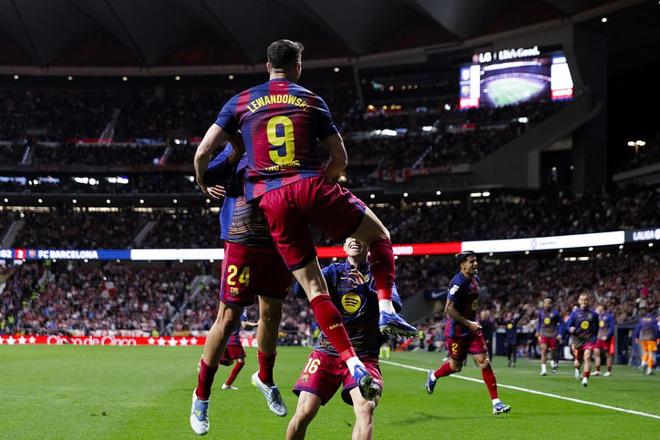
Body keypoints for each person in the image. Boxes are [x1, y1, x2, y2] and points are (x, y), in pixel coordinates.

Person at [194, 39, 416, 401]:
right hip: (281, 208)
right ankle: (385, 308)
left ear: (268, 66)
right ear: (298, 67)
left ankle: (287, 374)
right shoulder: (309, 101)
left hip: (273, 210)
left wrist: (204, 178)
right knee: (376, 238)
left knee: (291, 300)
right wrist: (322, 181)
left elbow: (204, 155)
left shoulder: (243, 104)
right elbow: (340, 158)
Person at [190, 145, 292, 435]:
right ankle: (201, 395)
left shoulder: (290, 143)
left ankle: (265, 378)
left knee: (272, 313)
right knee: (228, 319)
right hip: (242, 235)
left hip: (279, 237)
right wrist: (233, 153)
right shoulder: (240, 141)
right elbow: (207, 173)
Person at [286, 237, 400, 440]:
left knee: (366, 409)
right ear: (344, 246)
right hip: (327, 353)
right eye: (350, 238)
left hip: (364, 356)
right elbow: (299, 291)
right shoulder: (333, 272)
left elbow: (395, 306)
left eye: (360, 237)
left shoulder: (379, 275)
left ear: (368, 245)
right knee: (304, 412)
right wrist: (310, 268)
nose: (355, 240)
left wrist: (367, 287)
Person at [425, 251, 511, 415]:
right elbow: (448, 308)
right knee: (455, 367)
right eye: (471, 261)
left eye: (475, 260)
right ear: (462, 265)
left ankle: (496, 403)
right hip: (457, 332)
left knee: (484, 361)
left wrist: (473, 321)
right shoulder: (458, 282)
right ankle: (433, 376)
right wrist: (468, 323)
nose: (475, 264)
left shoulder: (475, 279)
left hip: (472, 330)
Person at [564, 293, 599, 387]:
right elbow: (567, 325)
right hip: (578, 339)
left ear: (588, 301)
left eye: (586, 300)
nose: (584, 301)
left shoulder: (594, 314)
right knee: (578, 362)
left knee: (587, 356)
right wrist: (570, 329)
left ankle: (585, 378)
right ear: (579, 301)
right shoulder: (574, 313)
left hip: (589, 339)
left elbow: (597, 327)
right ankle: (577, 369)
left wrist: (594, 338)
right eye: (582, 300)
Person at [217, 312, 258, 390]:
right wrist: (257, 324)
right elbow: (244, 325)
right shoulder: (242, 310)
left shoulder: (229, 309)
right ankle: (227, 385)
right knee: (240, 362)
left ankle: (205, 361)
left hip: (226, 339)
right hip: (233, 340)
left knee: (227, 362)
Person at [536, 298, 562, 375]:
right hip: (544, 334)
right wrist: (537, 330)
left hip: (553, 335)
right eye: (545, 303)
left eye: (548, 303)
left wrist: (560, 333)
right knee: (544, 350)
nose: (546, 305)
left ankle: (553, 361)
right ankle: (543, 370)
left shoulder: (556, 313)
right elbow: (539, 323)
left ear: (551, 304)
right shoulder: (541, 313)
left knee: (553, 352)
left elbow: (561, 323)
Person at [634, 308, 659, 375]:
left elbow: (638, 328)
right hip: (651, 338)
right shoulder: (654, 320)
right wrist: (657, 338)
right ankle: (649, 369)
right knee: (651, 353)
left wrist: (636, 337)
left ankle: (643, 363)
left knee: (645, 352)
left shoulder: (642, 319)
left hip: (643, 338)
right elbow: (656, 329)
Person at [594, 304, 616, 377]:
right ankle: (597, 370)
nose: (597, 308)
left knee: (608, 354)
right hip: (599, 337)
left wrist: (607, 336)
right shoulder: (597, 316)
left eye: (599, 306)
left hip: (606, 337)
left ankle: (609, 371)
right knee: (596, 352)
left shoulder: (609, 316)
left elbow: (612, 327)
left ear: (603, 308)